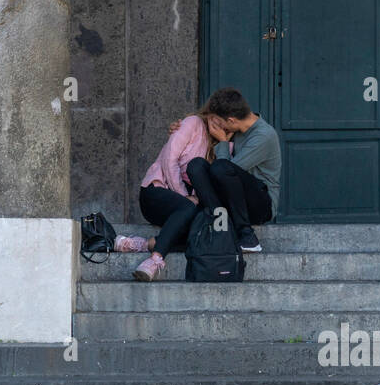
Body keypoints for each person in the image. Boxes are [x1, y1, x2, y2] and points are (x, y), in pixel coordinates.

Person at [111, 103, 221, 280]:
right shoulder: (193, 123)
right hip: (155, 192)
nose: (223, 126)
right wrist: (185, 196)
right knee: (188, 208)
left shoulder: (221, 146)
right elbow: (170, 159)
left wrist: (223, 140)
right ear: (211, 115)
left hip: (184, 210)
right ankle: (154, 260)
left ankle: (144, 244)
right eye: (220, 120)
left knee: (203, 235)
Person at [170, 87, 281, 253]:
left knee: (222, 168)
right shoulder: (235, 129)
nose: (216, 127)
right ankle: (219, 223)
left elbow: (225, 172)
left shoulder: (264, 136)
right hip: (234, 199)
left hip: (261, 204)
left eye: (219, 123)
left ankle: (247, 235)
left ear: (231, 120)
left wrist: (222, 142)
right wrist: (179, 128)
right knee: (196, 165)